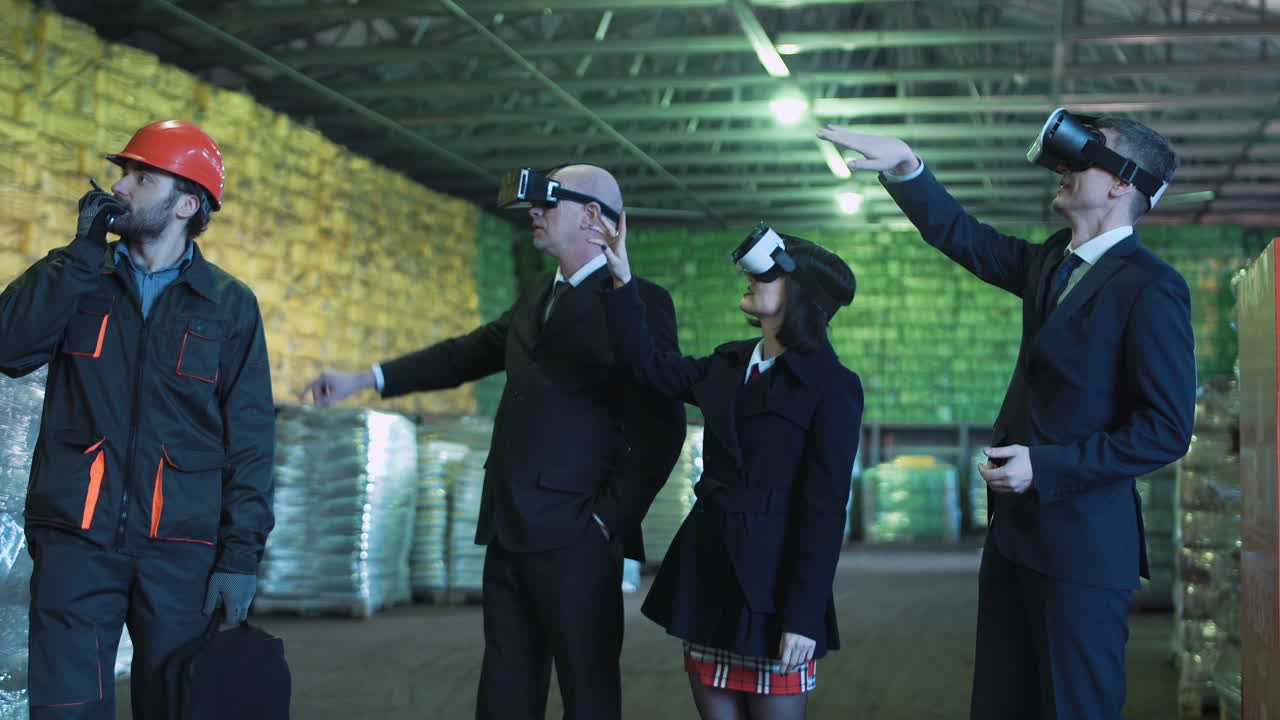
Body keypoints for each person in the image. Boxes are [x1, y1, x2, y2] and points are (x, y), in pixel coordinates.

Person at [818, 112, 1195, 719]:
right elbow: (964, 236)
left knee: (1074, 707)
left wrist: (1044, 466)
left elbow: (1166, 430)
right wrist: (909, 168)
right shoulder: (1052, 262)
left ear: (1123, 182)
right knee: (1002, 702)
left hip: (1082, 550)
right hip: (1015, 537)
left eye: (1086, 156)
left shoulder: (1151, 287)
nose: (1064, 167)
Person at [300, 163, 686, 720]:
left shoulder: (639, 301)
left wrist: (609, 519)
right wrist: (366, 378)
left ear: (592, 217)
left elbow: (663, 424)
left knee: (588, 694)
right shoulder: (536, 294)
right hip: (509, 526)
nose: (534, 212)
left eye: (548, 203)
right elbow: (465, 354)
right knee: (505, 690)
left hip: (578, 533)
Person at [0, 120, 275, 719]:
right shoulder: (79, 277)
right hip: (76, 540)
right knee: (67, 709)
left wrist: (240, 556)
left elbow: (251, 439)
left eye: (141, 177)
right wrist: (79, 253)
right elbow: (9, 347)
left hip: (181, 551)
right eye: (123, 173)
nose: (120, 187)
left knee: (178, 706)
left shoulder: (228, 305)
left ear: (187, 203)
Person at [595, 216, 862, 720]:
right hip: (710, 573)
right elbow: (647, 366)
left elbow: (825, 511)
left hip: (773, 588)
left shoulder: (832, 385)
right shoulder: (729, 364)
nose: (751, 280)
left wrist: (803, 616)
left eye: (766, 275)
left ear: (800, 295)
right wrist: (623, 280)